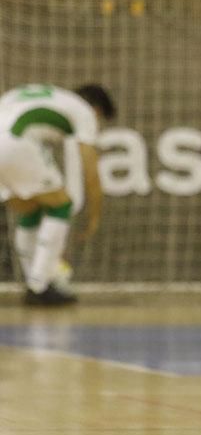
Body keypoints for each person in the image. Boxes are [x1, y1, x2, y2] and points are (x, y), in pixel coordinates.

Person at [0, 83, 115, 306]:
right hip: (15, 143)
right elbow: (90, 168)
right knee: (61, 206)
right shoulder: (82, 110)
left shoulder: (36, 95)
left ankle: (35, 279)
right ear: (96, 109)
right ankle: (40, 285)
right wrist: (94, 215)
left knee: (31, 207)